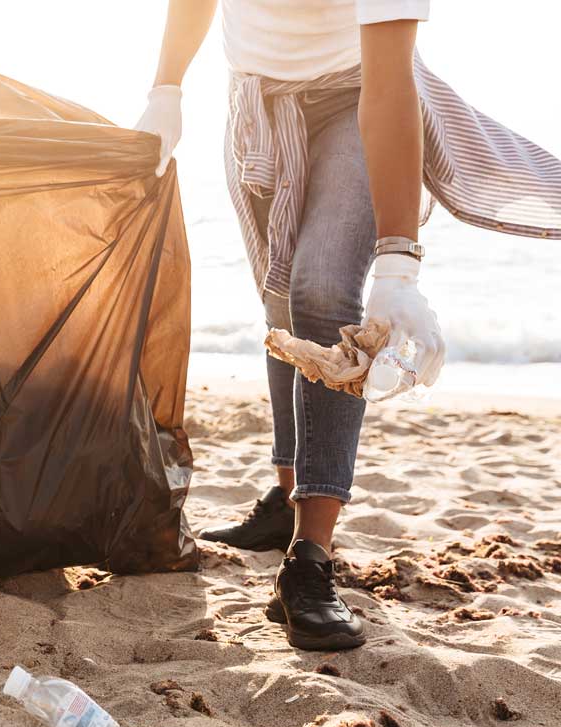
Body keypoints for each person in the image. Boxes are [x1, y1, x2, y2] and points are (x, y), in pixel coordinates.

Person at [134, 1, 561, 650]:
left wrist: (399, 260)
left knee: (323, 294)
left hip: (357, 94)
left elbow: (390, 83)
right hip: (255, 102)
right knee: (280, 306)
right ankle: (286, 502)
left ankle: (309, 559)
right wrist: (166, 88)